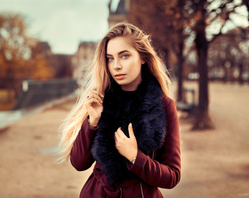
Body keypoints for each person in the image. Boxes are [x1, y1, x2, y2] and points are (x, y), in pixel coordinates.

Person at [58, 23, 181, 198]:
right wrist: (92, 122)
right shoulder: (101, 99)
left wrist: (135, 157)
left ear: (143, 57)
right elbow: (78, 163)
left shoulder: (164, 106)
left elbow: (173, 176)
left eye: (124, 56)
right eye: (110, 58)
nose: (116, 66)